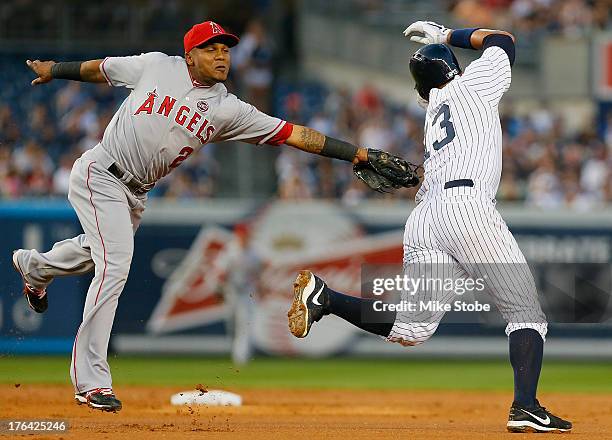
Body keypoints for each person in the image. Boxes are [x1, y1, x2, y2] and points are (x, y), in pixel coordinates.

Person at [14, 20, 410, 412]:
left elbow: (294, 133)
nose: (222, 54)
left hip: (135, 194)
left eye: (225, 48)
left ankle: (36, 267)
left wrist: (357, 154)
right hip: (101, 173)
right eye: (211, 48)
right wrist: (56, 70)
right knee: (115, 264)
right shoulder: (156, 66)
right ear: (190, 54)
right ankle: (91, 381)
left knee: (94, 254)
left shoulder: (228, 109)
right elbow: (99, 69)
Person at [287, 21, 572, 433]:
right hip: (466, 207)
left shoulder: (433, 109)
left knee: (411, 328)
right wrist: (446, 35)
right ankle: (525, 406)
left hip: (426, 216)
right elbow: (502, 40)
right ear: (454, 69)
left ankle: (326, 298)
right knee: (526, 313)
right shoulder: (472, 84)